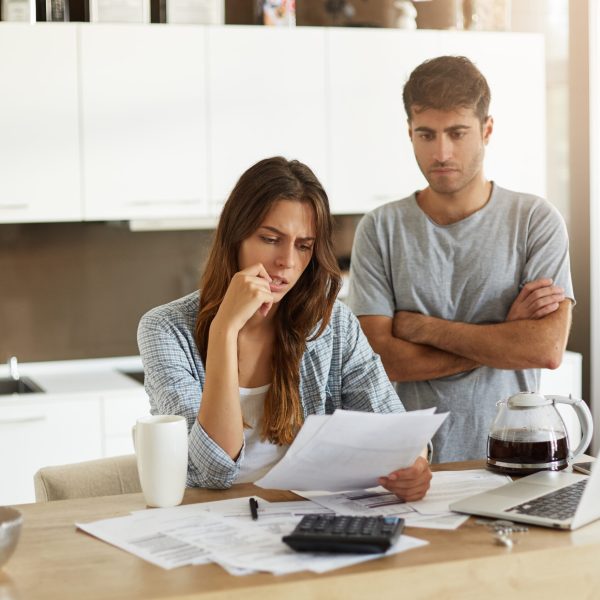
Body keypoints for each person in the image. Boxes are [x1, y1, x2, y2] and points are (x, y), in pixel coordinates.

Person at [137, 156, 431, 499]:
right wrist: (224, 330)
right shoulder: (165, 329)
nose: (288, 262)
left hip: (307, 517)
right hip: (210, 517)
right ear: (235, 235)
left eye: (304, 246)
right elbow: (211, 470)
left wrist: (414, 464)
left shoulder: (334, 324)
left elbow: (394, 430)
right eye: (271, 238)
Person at [347, 56, 574, 463]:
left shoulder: (535, 221)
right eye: (426, 134)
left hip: (515, 459)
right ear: (409, 133)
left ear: (487, 130)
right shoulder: (380, 228)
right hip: (410, 466)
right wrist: (504, 335)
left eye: (457, 132)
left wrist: (423, 328)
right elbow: (382, 361)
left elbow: (545, 347)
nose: (442, 151)